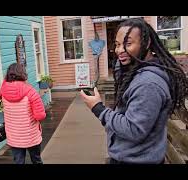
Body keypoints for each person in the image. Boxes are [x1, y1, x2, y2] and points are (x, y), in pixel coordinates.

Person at [80, 18, 188, 164]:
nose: (119, 50)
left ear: (147, 43)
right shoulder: (137, 70)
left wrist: (98, 108)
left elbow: (133, 129)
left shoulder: (148, 84)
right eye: (117, 45)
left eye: (128, 44)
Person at [0, 63, 46, 164]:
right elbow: (40, 115)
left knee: (18, 162)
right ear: (23, 73)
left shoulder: (3, 91)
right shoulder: (30, 91)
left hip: (13, 136)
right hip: (30, 135)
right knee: (36, 160)